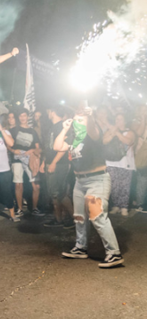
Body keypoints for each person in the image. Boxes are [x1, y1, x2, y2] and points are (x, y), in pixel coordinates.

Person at [54, 107, 124, 268]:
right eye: (76, 120)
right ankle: (80, 247)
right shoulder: (74, 138)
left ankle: (114, 253)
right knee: (79, 217)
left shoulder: (93, 134)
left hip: (97, 180)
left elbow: (92, 128)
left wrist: (89, 117)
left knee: (97, 216)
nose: (78, 123)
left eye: (81, 120)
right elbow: (57, 146)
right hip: (80, 182)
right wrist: (65, 128)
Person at [42, 106, 74, 228]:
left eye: (48, 111)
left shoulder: (62, 126)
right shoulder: (53, 127)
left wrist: (54, 162)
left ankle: (75, 219)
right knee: (53, 193)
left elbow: (63, 148)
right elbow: (49, 148)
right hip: (51, 163)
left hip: (59, 164)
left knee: (60, 193)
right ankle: (58, 219)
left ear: (52, 112)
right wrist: (44, 162)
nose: (47, 113)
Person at [10, 109, 43, 216]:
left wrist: (32, 150)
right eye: (20, 116)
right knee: (18, 184)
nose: (22, 118)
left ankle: (34, 208)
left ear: (28, 117)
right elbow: (8, 144)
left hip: (30, 159)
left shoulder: (33, 131)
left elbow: (38, 148)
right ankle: (20, 209)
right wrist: (13, 151)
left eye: (24, 115)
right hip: (17, 159)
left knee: (36, 185)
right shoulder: (13, 130)